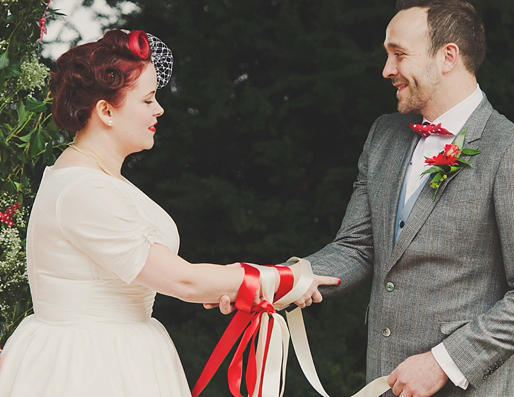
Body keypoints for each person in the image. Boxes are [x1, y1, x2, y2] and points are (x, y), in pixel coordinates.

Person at [213, 1, 514, 396]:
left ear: (447, 56)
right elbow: (357, 247)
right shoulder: (384, 135)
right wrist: (271, 282)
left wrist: (443, 362)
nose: (387, 69)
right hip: (384, 380)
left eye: (398, 54)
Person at [0, 30, 338, 397]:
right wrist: (283, 280)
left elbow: (171, 278)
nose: (159, 109)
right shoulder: (85, 189)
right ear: (106, 111)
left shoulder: (95, 178)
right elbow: (184, 281)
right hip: (89, 367)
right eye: (147, 99)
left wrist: (227, 286)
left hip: (122, 350)